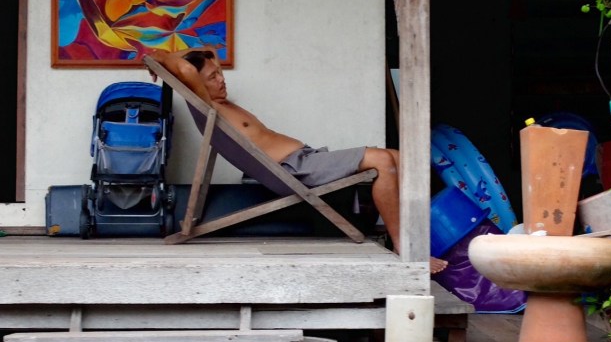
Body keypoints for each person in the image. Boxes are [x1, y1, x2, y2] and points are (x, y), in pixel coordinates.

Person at [145, 48, 448, 274]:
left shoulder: (220, 105)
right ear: (198, 82)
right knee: (382, 160)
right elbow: (184, 68)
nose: (222, 80)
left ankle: (411, 231)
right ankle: (404, 246)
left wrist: (176, 59)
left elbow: (203, 53)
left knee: (397, 157)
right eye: (212, 77)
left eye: (221, 72)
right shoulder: (207, 104)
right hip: (294, 169)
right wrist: (155, 55)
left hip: (305, 160)